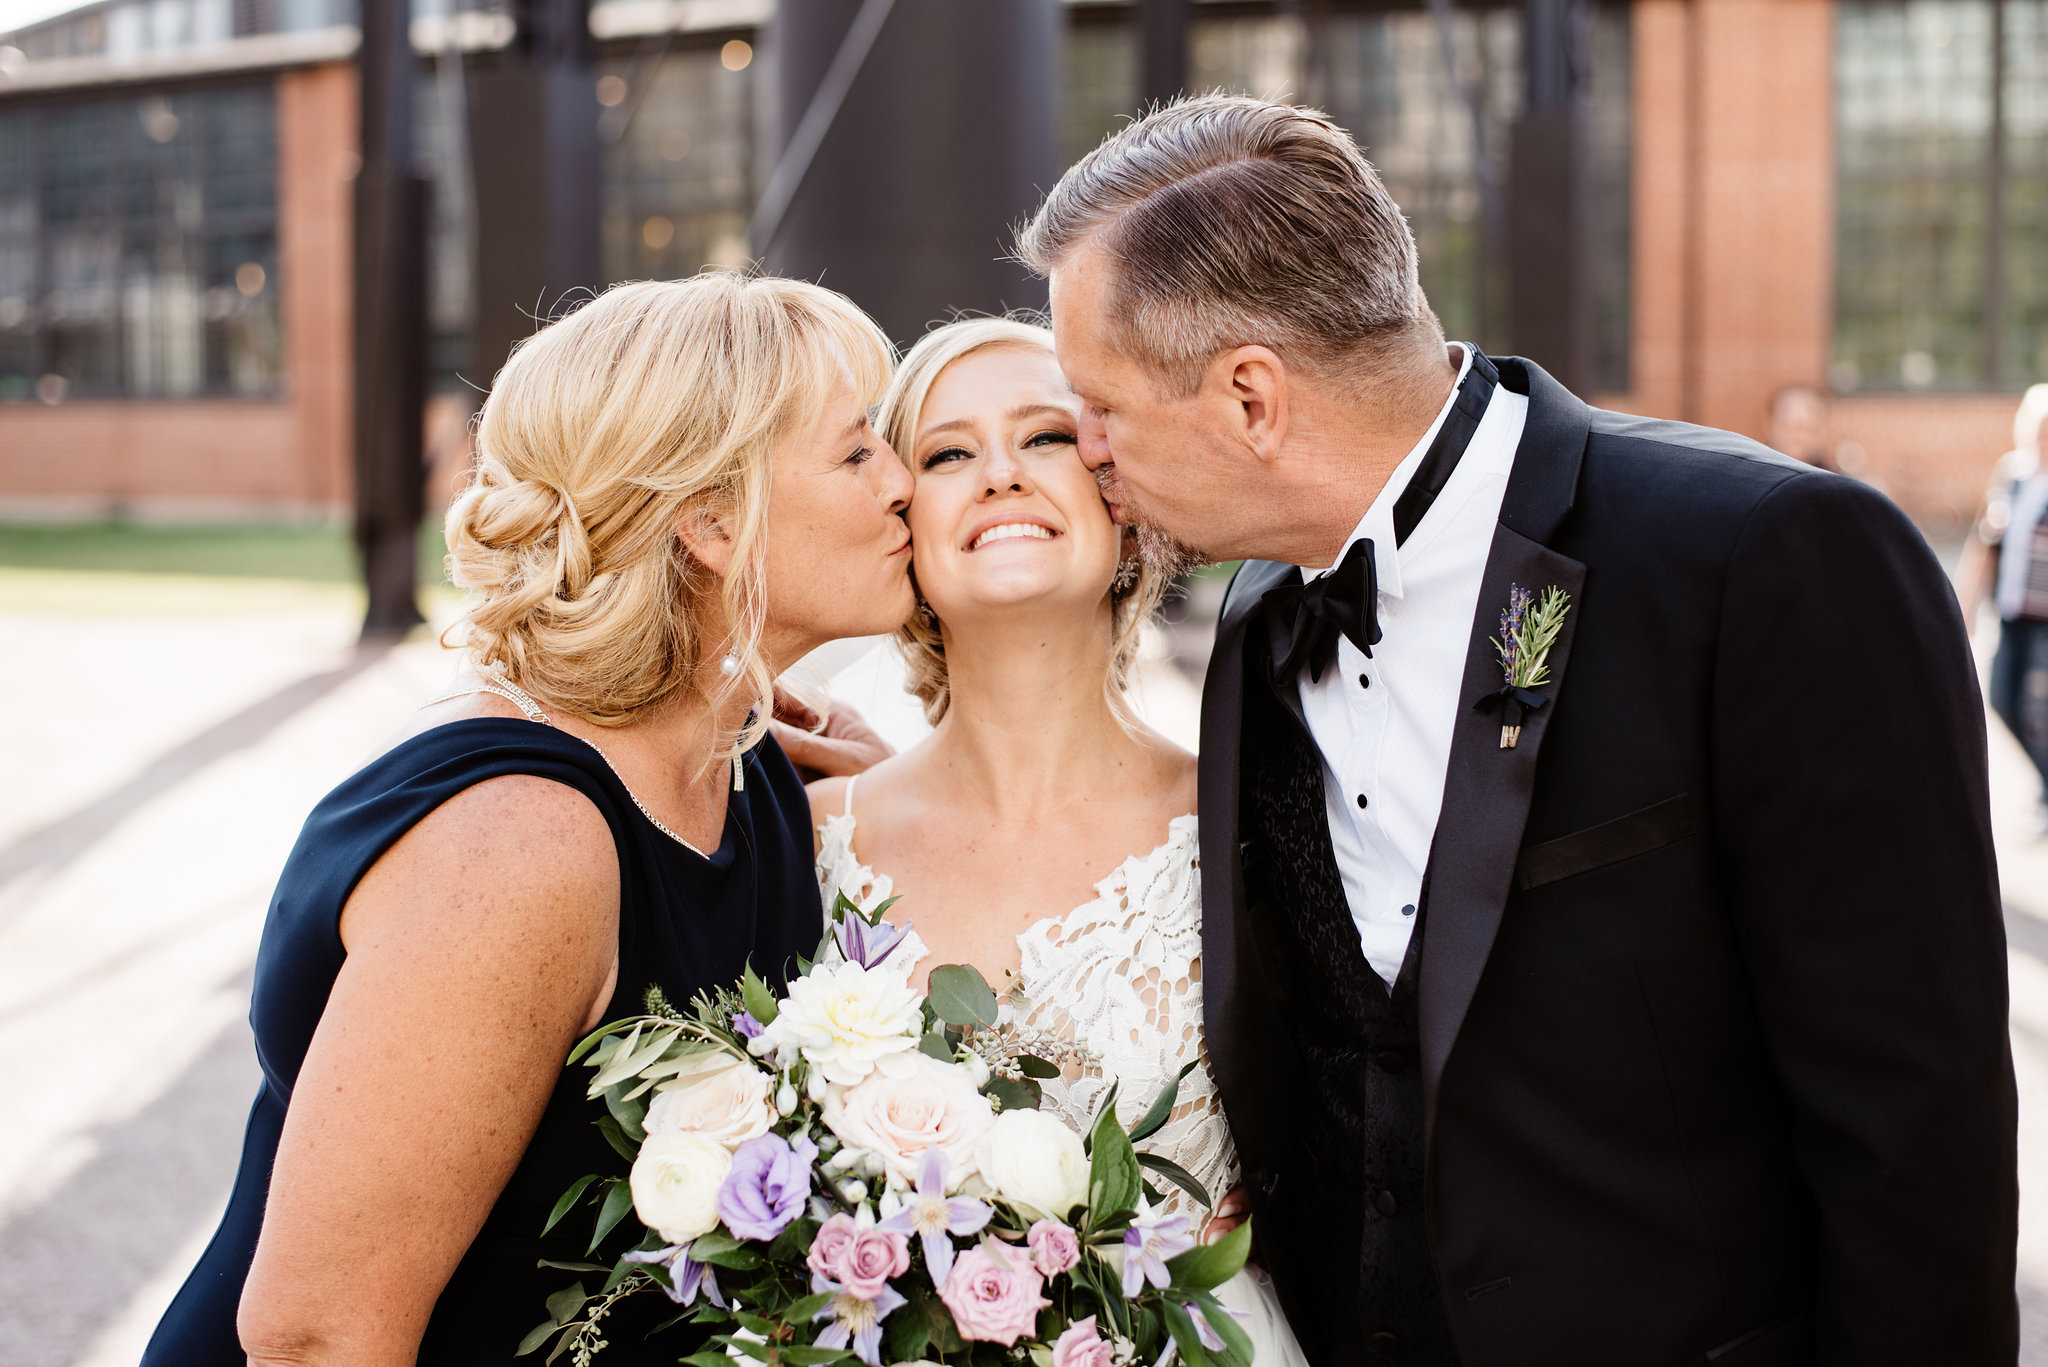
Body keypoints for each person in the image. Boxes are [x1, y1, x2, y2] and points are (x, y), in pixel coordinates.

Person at [1017, 95, 2016, 1364]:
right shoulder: (1265, 607)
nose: (1085, 450)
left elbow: (1916, 1128)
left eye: (1099, 404)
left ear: (1250, 398)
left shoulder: (1768, 558)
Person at [142, 273, 918, 1366]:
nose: (903, 484)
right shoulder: (515, 844)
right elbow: (318, 1337)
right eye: (855, 452)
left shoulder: (747, 767)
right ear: (708, 519)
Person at [806, 316, 1311, 1367]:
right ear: (903, 523)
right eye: (947, 453)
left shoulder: (1257, 826)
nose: (997, 475)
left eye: (1043, 437)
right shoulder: (805, 845)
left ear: (1120, 504)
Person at [1960, 382, 2048, 831]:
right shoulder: (2013, 474)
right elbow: (1986, 541)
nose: (2043, 437)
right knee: (2000, 700)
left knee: (2039, 710)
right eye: (2038, 428)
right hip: (2012, 611)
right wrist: (1966, 607)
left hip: (2045, 621)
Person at [1765, 382, 1840, 471]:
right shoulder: (1751, 480)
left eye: (1808, 429)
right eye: (1788, 427)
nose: (1797, 438)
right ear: (1769, 426)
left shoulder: (1836, 483)